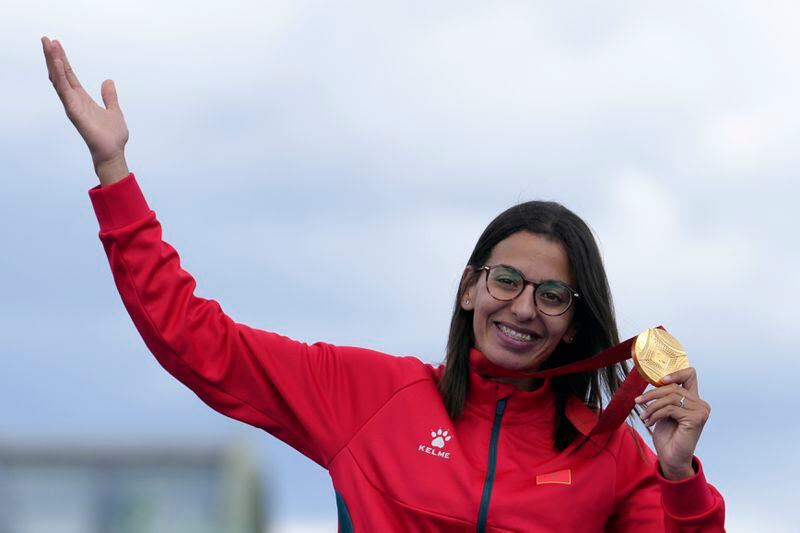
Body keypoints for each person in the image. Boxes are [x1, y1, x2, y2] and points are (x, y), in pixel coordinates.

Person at [41, 36, 725, 531]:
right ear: (469, 288)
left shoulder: (612, 454)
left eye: (551, 295)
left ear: (575, 321)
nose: (523, 306)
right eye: (507, 280)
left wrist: (678, 477)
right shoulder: (370, 396)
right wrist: (115, 171)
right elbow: (197, 340)